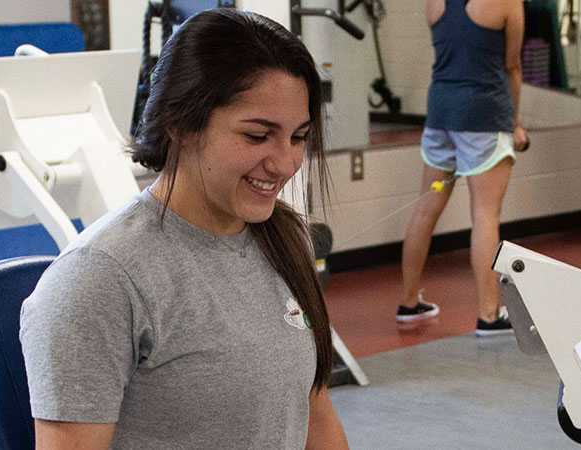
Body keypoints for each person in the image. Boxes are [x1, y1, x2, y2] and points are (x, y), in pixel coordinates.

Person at [18, 9, 348, 450]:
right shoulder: (99, 280)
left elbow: (316, 415)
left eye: (298, 137)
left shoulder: (284, 238)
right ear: (180, 124)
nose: (285, 163)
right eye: (257, 136)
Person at [397, 0, 528, 335]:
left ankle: (409, 303)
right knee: (485, 215)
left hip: (440, 114)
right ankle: (489, 315)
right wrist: (515, 124)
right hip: (484, 114)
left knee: (424, 210)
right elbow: (513, 66)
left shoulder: (434, 3)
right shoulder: (507, 2)